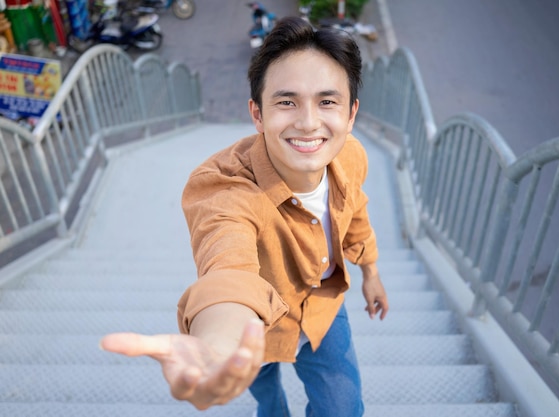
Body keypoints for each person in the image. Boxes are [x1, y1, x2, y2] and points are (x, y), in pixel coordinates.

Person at [100, 16, 389, 417]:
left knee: (344, 408)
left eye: (327, 101)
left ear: (351, 113)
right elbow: (227, 264)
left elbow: (355, 213)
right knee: (265, 394)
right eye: (286, 102)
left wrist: (370, 271)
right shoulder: (225, 186)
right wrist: (216, 347)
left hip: (323, 307)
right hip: (257, 329)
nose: (308, 122)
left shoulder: (351, 155)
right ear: (257, 114)